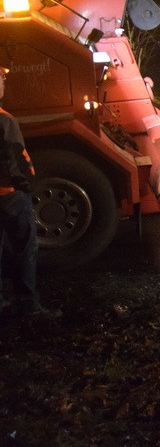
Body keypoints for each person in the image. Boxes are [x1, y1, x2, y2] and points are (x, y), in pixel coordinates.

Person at [0, 64, 55, 318]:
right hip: (9, 195)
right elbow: (15, 159)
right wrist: (26, 186)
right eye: (0, 78)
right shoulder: (4, 119)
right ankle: (28, 305)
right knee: (24, 248)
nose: (3, 83)